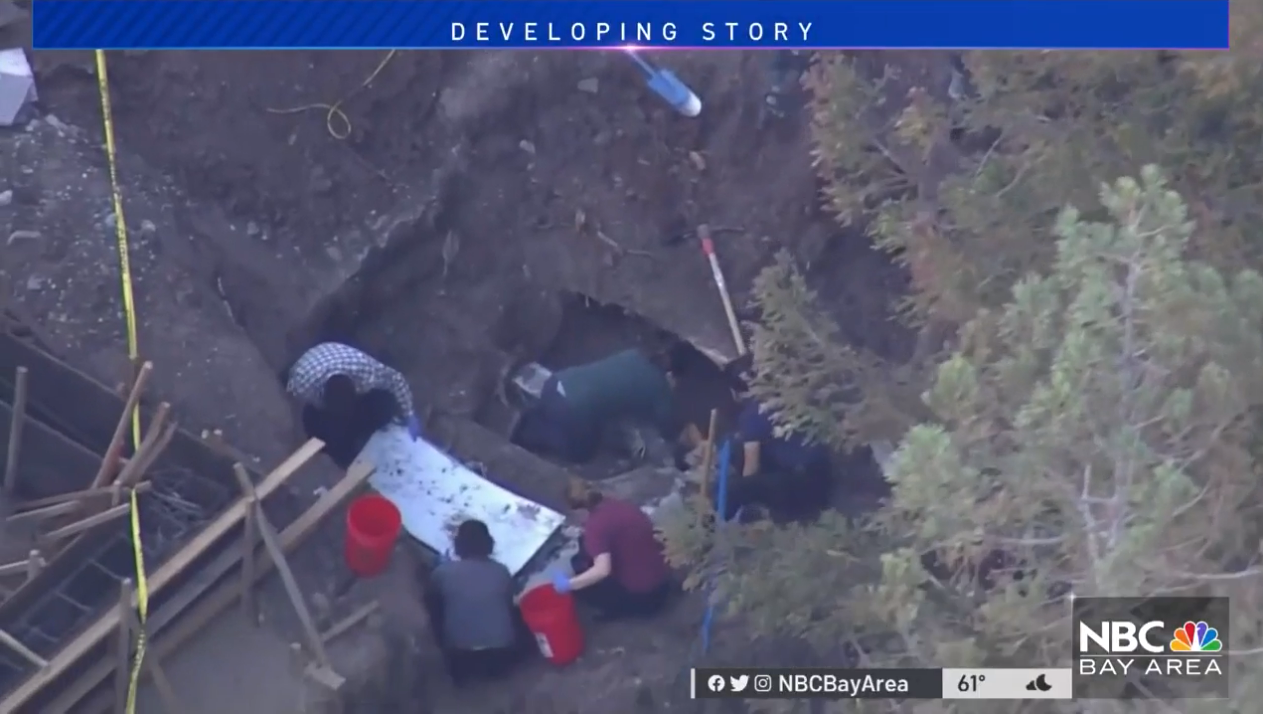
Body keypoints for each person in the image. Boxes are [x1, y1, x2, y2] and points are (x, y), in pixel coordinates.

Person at [514, 345, 703, 464]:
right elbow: (668, 428)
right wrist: (687, 437)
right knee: (581, 454)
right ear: (673, 375)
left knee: (582, 417)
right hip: (573, 409)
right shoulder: (659, 389)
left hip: (556, 382)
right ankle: (529, 434)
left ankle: (534, 415)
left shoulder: (634, 354)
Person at [423, 520, 531, 686]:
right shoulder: (501, 571)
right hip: (502, 657)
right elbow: (511, 601)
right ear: (489, 544)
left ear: (458, 545)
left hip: (460, 658)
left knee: (437, 604)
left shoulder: (442, 572)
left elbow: (431, 598)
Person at [282, 342, 421, 468]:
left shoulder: (364, 370)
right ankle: (343, 448)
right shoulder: (302, 386)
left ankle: (362, 428)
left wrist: (409, 413)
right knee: (325, 433)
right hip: (314, 372)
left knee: (383, 404)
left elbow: (395, 379)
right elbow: (294, 406)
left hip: (338, 361)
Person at [551, 479, 673, 619]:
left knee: (582, 584)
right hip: (662, 579)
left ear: (579, 510)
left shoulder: (596, 526)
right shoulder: (617, 504)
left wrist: (568, 584)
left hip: (646, 597)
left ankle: (619, 612)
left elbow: (602, 570)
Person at [719, 398, 834, 522]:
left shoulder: (754, 412)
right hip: (825, 478)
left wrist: (745, 493)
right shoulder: (795, 400)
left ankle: (720, 530)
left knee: (735, 488)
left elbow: (751, 467)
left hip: (795, 481)